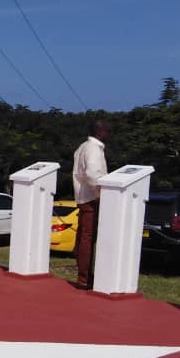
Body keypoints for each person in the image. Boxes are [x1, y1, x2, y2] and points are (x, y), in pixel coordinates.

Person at [72, 120, 111, 289]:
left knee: (83, 237)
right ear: (100, 132)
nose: (109, 134)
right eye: (107, 131)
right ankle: (85, 278)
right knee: (88, 238)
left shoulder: (82, 147)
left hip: (82, 198)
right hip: (91, 199)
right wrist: (101, 193)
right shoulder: (94, 149)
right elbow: (92, 174)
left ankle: (84, 274)